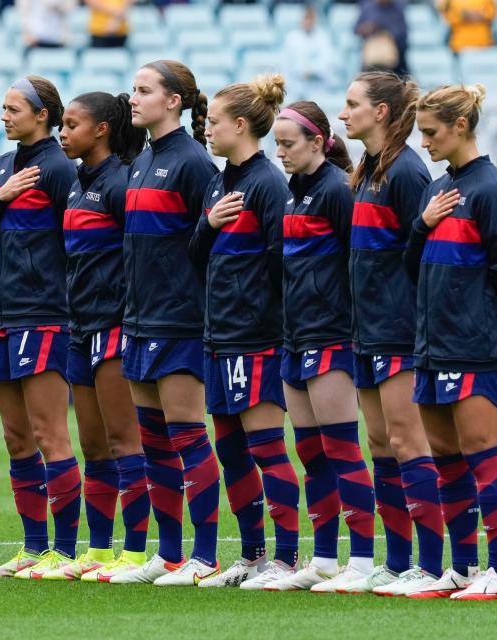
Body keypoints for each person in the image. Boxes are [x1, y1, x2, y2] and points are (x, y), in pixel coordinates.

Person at [404, 83, 497, 600]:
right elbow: (411, 267)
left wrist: (465, 301)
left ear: (460, 127)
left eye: (431, 132)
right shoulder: (435, 190)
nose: (424, 142)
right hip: (430, 347)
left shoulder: (491, 189)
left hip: (470, 345)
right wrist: (421, 226)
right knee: (446, 459)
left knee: (481, 452)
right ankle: (464, 567)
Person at [188, 75, 302, 590]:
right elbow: (195, 257)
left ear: (239, 125)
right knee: (231, 451)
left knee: (266, 447)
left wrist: (272, 325)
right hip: (219, 336)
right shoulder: (218, 182)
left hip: (255, 337)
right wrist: (208, 224)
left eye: (213, 122)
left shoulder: (267, 184)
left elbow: (284, 265)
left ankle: (288, 557)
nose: (207, 129)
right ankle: (253, 556)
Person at [111, 60, 220, 586]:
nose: (133, 98)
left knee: (187, 435)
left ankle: (204, 556)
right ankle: (171, 553)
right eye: (133, 89)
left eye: (144, 90)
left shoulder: (194, 163)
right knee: (152, 440)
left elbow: (210, 247)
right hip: (138, 319)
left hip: (179, 320)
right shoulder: (140, 160)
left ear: (174, 100)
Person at [0, 75, 81, 579]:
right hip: (1, 316)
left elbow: (75, 244)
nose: (5, 116)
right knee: (16, 437)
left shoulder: (59, 169)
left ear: (43, 114)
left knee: (50, 433)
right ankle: (34, 549)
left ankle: (65, 549)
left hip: (43, 315)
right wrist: (0, 197)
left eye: (15, 108)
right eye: (4, 107)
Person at [336, 71, 444, 596]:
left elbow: (423, 256)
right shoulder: (370, 169)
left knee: (407, 441)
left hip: (399, 332)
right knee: (380, 444)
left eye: (352, 104)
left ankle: (433, 564)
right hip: (367, 331)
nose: (343, 113)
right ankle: (398, 563)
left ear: (380, 111)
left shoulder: (406, 172)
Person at [266, 101, 377, 593]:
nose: (281, 153)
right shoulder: (293, 192)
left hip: (330, 335)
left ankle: (365, 560)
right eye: (277, 145)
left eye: (289, 144)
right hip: (295, 336)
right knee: (311, 452)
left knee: (341, 448)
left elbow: (358, 266)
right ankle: (327, 558)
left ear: (317, 143)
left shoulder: (337, 190)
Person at [51, 91, 150, 581]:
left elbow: (134, 261)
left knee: (122, 438)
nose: (62, 132)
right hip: (79, 327)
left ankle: (134, 551)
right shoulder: (74, 183)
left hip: (113, 326)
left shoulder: (120, 183)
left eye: (71, 124)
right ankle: (98, 549)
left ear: (102, 129)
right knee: (91, 444)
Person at [282, 5, 338, 100]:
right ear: (301, 20)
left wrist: (311, 69)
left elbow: (327, 61)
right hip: (296, 84)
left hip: (318, 84)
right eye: (306, 18)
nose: (308, 22)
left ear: (315, 20)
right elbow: (287, 64)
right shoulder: (291, 38)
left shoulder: (323, 37)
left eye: (311, 19)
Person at [355, 0, 409, 77]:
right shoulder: (367, 7)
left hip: (394, 63)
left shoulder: (398, 9)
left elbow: (402, 34)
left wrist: (382, 29)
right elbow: (356, 29)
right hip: (370, 59)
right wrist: (366, 29)